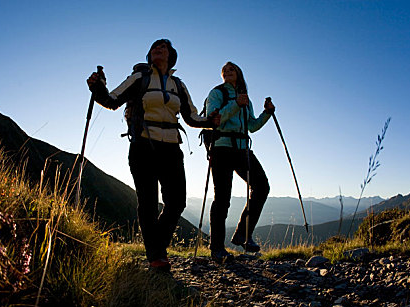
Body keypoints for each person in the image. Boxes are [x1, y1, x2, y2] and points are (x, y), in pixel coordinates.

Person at [87, 39, 218, 272]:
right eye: (154, 47)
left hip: (171, 149)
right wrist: (98, 87)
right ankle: (156, 256)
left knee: (176, 202)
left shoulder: (178, 85)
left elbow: (191, 117)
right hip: (143, 146)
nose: (158, 49)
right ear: (149, 56)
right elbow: (111, 100)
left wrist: (210, 121)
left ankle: (156, 246)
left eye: (163, 47)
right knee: (147, 202)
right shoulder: (139, 78)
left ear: (171, 55)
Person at [205, 62, 274, 263]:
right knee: (223, 197)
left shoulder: (245, 98)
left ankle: (242, 235)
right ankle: (217, 247)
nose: (227, 71)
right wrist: (236, 105)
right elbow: (214, 119)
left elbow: (251, 126)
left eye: (231, 69)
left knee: (261, 186)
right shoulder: (217, 93)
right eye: (224, 70)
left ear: (239, 74)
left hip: (242, 148)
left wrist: (267, 113)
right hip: (222, 147)